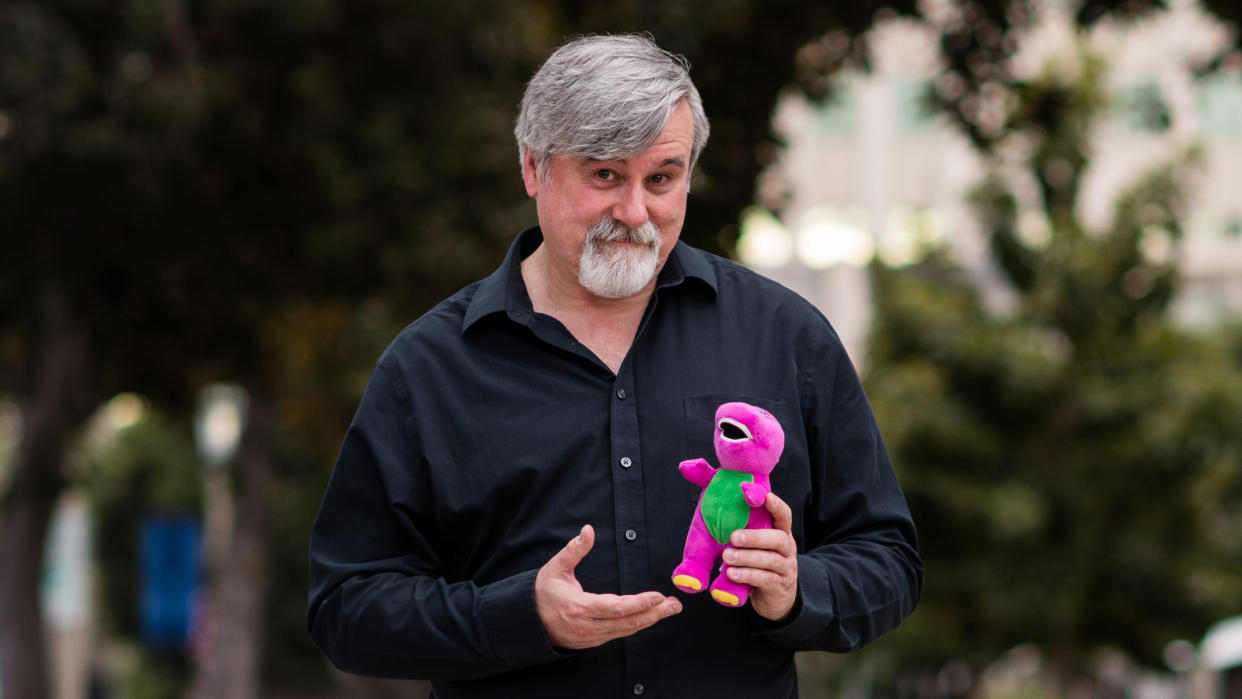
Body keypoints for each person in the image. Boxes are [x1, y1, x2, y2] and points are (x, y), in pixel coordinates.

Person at [307, 33, 922, 698]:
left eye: (661, 178)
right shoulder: (428, 367)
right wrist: (519, 616)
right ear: (533, 168)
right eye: (605, 175)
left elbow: (888, 559)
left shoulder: (786, 336)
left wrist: (800, 590)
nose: (635, 213)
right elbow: (346, 607)